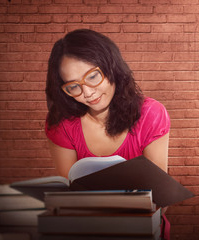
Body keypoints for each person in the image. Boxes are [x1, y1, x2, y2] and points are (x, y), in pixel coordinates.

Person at [45, 29, 171, 239]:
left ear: (111, 67)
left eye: (93, 76)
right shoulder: (61, 123)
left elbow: (161, 199)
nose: (87, 93)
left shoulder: (150, 114)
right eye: (73, 86)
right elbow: (66, 197)